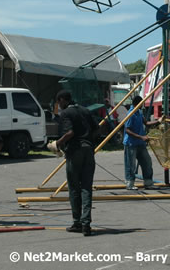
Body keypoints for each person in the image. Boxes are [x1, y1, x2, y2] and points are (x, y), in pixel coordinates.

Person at [50, 90, 97, 236]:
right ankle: (86, 224)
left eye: (59, 102)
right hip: (88, 151)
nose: (59, 105)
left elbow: (70, 133)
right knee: (86, 188)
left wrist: (57, 143)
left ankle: (77, 222)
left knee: (74, 188)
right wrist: (89, 143)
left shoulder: (66, 114)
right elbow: (98, 128)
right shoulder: (85, 111)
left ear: (63, 100)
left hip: (75, 151)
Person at [123, 95, 155, 190]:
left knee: (147, 161)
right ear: (137, 103)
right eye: (142, 103)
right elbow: (127, 130)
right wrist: (141, 137)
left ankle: (148, 182)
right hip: (131, 143)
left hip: (140, 143)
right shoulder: (131, 113)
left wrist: (158, 121)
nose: (143, 105)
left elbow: (146, 123)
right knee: (130, 165)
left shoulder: (139, 112)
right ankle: (130, 183)